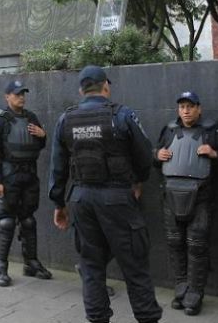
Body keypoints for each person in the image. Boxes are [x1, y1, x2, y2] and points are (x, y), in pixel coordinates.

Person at [49, 65, 163, 323]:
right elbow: (144, 156)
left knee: (91, 268)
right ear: (106, 87)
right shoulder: (122, 115)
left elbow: (57, 167)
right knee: (135, 267)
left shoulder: (66, 119)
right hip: (118, 198)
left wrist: (58, 203)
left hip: (81, 200)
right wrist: (138, 181)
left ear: (81, 91)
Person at [153, 91, 218, 316]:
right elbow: (155, 157)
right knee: (174, 243)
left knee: (197, 246)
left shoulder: (212, 130)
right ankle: (181, 288)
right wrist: (157, 155)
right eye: (182, 107)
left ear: (199, 108)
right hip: (171, 197)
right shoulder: (169, 130)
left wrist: (214, 153)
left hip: (200, 198)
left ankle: (195, 293)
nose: (186, 111)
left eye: (190, 106)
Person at [0, 80, 53, 287]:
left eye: (23, 94)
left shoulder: (31, 117)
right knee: (6, 222)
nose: (21, 97)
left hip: (30, 176)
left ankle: (31, 263)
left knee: (28, 220)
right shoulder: (0, 120)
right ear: (7, 97)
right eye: (17, 94)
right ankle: (1, 267)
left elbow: (39, 144)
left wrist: (43, 136)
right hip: (9, 177)